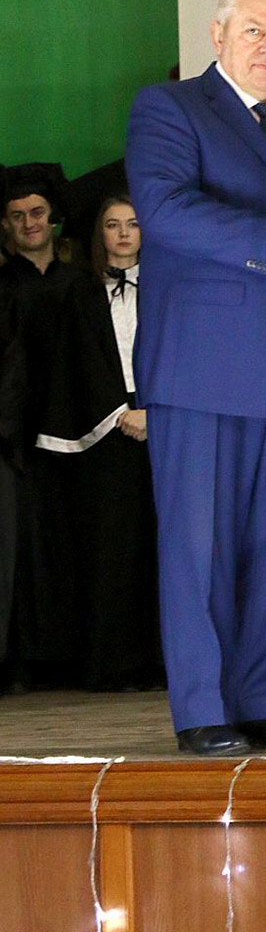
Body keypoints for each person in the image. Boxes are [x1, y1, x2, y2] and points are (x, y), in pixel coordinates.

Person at [126, 0, 266, 755]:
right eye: (254, 29)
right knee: (199, 548)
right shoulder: (170, 107)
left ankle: (262, 703)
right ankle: (203, 711)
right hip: (202, 367)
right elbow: (165, 210)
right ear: (217, 36)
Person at [36, 192, 162, 690]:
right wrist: (117, 413)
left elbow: (181, 352)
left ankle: (160, 660)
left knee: (162, 544)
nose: (124, 233)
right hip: (105, 434)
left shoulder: (168, 289)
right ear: (99, 233)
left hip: (163, 423)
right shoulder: (79, 295)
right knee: (112, 547)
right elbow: (75, 364)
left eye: (133, 223)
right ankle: (113, 663)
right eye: (113, 224)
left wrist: (154, 411)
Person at [0, 162, 81, 691]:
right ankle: (24, 660)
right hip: (18, 438)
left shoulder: (81, 282)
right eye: (17, 215)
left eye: (37, 212)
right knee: (22, 550)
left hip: (79, 432)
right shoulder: (4, 286)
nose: (29, 223)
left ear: (52, 217)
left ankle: (72, 656)